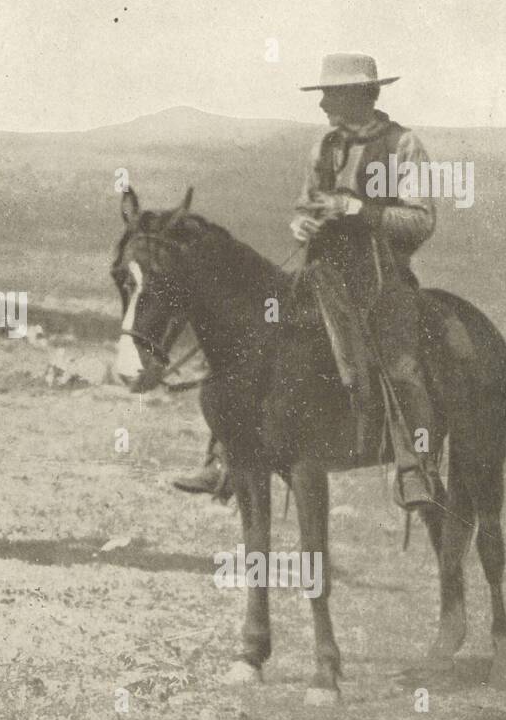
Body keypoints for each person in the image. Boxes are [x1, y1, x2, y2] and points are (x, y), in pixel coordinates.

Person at [177, 52, 440, 510]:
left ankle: (413, 464)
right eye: (323, 96)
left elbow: (420, 221)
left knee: (398, 360)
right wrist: (302, 224)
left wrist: (359, 211)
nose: (322, 106)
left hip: (379, 276)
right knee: (253, 334)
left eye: (332, 95)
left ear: (362, 94)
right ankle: (223, 455)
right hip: (321, 273)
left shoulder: (403, 145)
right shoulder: (324, 147)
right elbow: (306, 206)